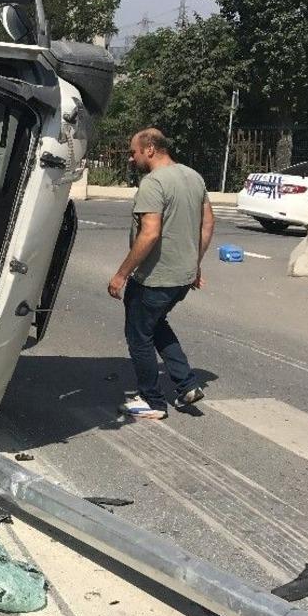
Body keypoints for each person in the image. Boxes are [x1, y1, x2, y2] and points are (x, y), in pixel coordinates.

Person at [106, 128, 215, 420]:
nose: (131, 158)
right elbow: (208, 223)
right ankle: (187, 384)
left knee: (139, 336)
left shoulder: (153, 183)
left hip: (154, 279)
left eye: (134, 152)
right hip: (181, 277)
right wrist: (195, 263)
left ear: (150, 149)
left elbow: (150, 233)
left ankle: (152, 400)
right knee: (156, 325)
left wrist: (121, 274)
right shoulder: (194, 177)